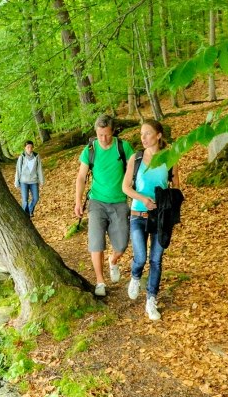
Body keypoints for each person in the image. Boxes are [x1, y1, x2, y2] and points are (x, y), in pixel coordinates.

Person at [122, 119, 177, 321]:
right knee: (141, 258)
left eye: (147, 133)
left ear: (158, 135)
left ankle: (151, 300)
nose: (143, 138)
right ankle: (135, 276)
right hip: (137, 215)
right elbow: (126, 187)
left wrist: (168, 207)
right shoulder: (135, 159)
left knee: (156, 260)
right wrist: (143, 199)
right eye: (141, 134)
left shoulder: (170, 158)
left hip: (160, 218)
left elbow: (176, 189)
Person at [74, 114, 134, 297]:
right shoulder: (90, 150)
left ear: (113, 131)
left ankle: (113, 260)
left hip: (119, 201)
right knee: (96, 242)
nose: (103, 139)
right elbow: (81, 177)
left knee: (122, 243)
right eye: (100, 135)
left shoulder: (123, 147)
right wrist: (78, 201)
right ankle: (100, 281)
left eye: (107, 134)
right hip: (97, 201)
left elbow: (134, 169)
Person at [14, 140, 44, 218]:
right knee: (25, 200)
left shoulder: (36, 156)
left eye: (31, 147)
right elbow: (18, 169)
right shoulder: (22, 157)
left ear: (33, 147)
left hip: (34, 181)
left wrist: (41, 181)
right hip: (24, 181)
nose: (29, 149)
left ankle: (30, 210)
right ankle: (26, 215)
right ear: (25, 148)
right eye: (28, 147)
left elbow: (39, 169)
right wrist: (16, 181)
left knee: (36, 198)